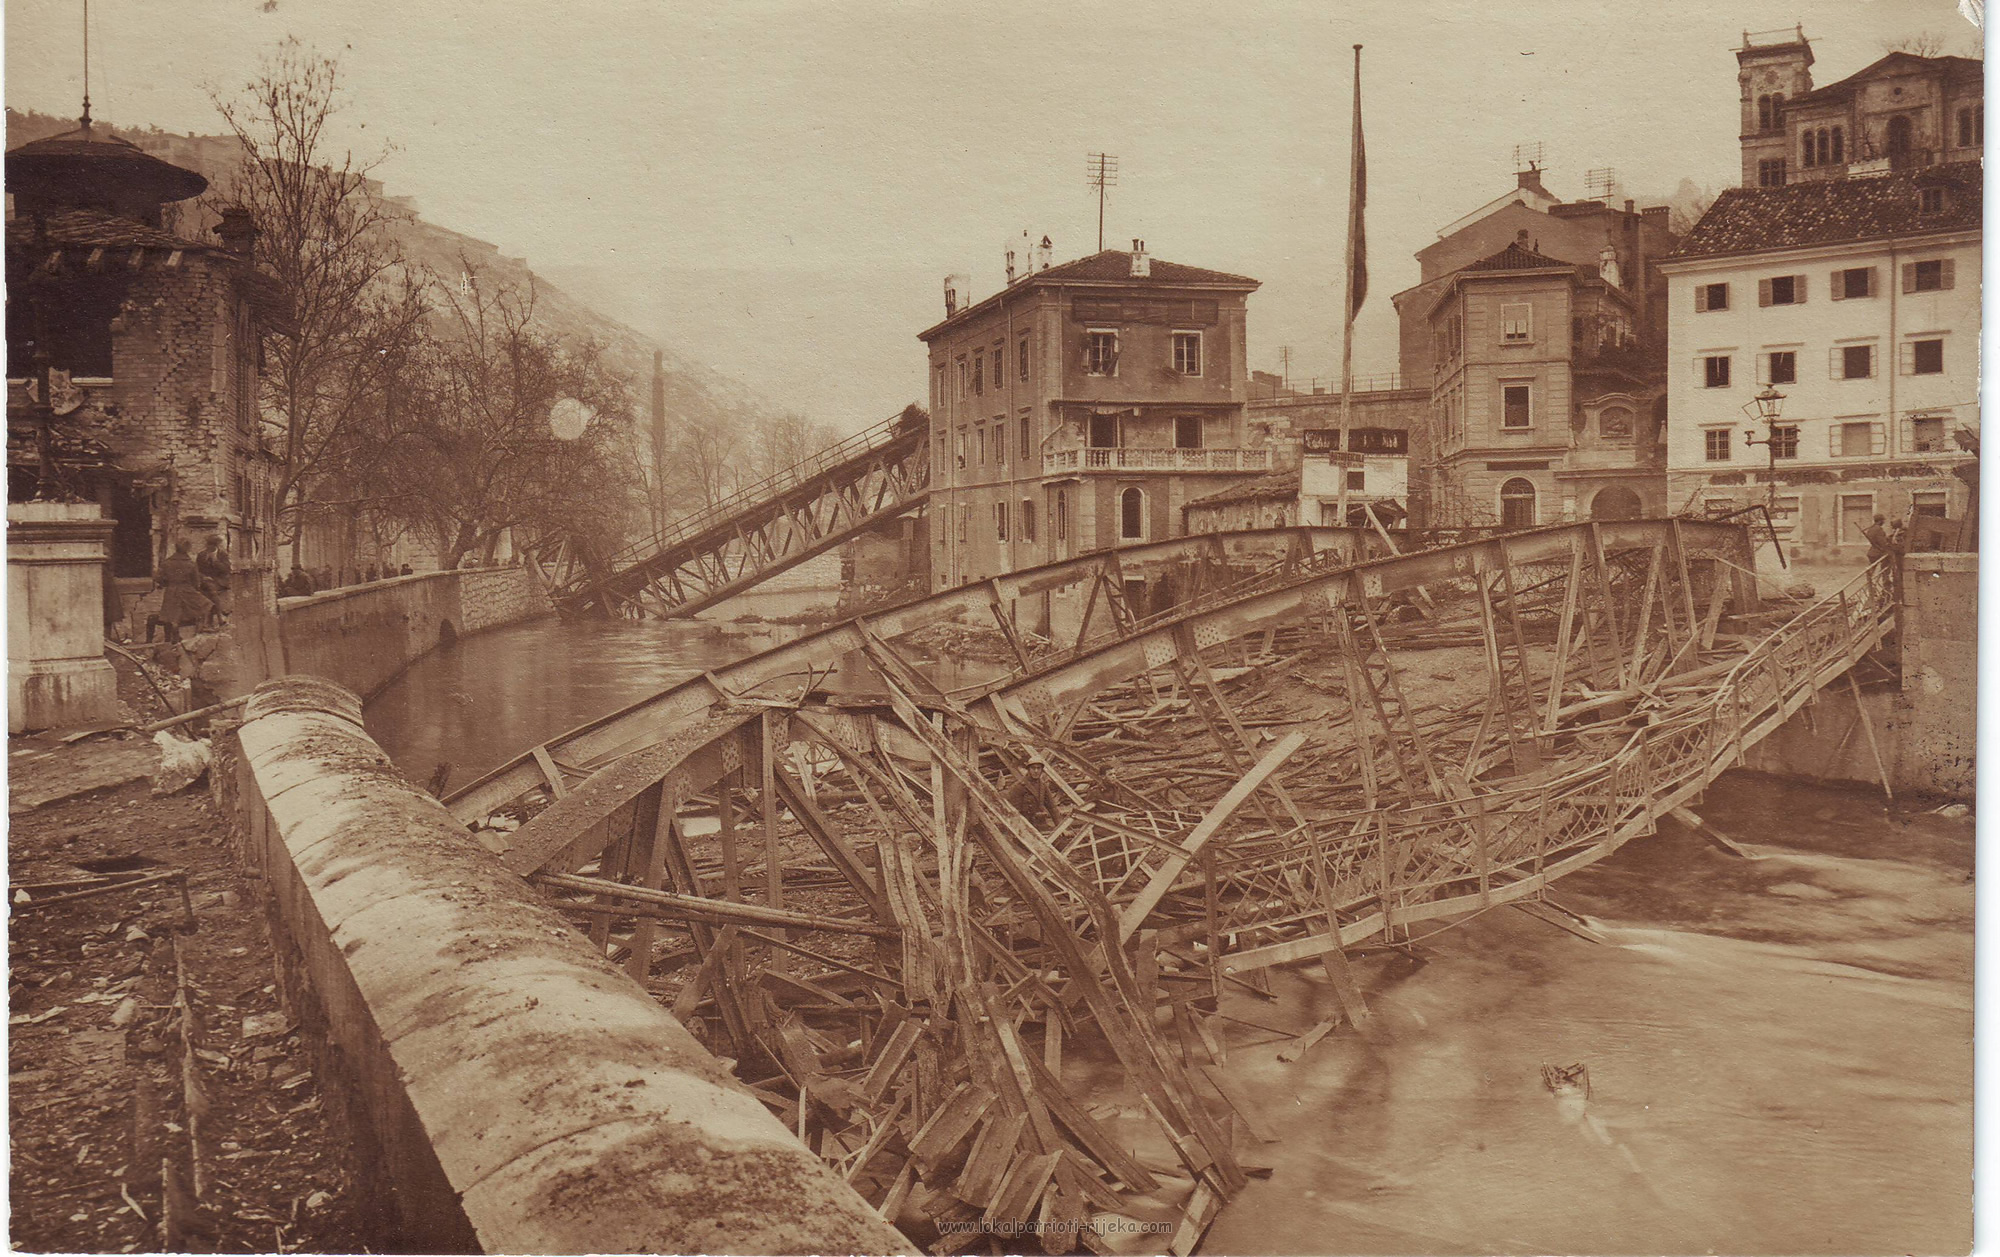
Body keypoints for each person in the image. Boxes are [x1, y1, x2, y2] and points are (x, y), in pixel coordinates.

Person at [153, 541, 212, 644]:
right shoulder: (190, 564)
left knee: (172, 614)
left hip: (171, 591)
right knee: (207, 605)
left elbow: (158, 578)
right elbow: (196, 583)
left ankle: (174, 631)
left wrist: (167, 583)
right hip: (187, 590)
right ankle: (200, 632)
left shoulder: (166, 563)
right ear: (187, 549)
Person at [195, 534, 233, 626]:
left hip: (220, 580)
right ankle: (220, 617)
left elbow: (226, 569)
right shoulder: (201, 555)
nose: (209, 547)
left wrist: (215, 561)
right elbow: (196, 570)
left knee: (211, 590)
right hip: (206, 580)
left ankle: (214, 619)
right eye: (208, 545)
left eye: (212, 545)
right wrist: (203, 577)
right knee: (210, 588)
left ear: (216, 546)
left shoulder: (222, 555)